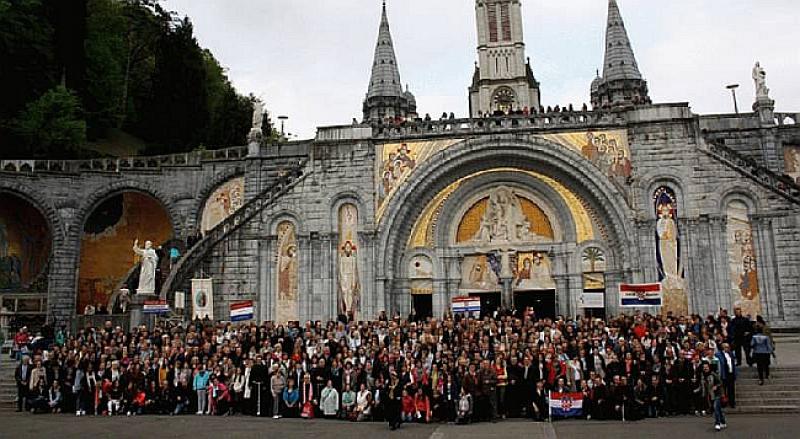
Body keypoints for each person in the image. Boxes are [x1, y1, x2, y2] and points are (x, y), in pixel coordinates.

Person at [702, 362, 726, 431]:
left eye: (706, 367)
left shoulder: (713, 374)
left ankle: (717, 424)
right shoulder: (703, 375)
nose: (705, 368)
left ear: (709, 367)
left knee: (716, 408)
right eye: (704, 367)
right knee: (718, 409)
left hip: (717, 394)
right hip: (710, 395)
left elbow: (720, 382)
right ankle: (723, 422)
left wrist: (716, 386)